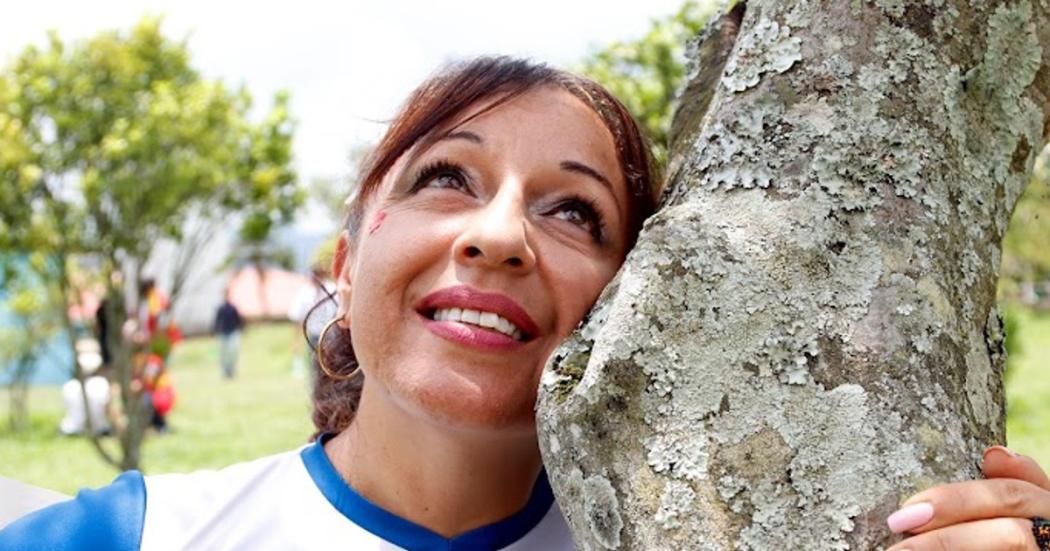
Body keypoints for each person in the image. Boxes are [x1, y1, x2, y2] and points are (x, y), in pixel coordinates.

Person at [0, 57, 1047, 550]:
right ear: (346, 255)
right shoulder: (124, 535)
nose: (498, 234)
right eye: (446, 176)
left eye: (574, 213)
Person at [214, 288, 244, 379]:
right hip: (223, 333)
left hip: (232, 332)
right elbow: (217, 322)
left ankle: (232, 371)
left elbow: (239, 321)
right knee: (223, 354)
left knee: (232, 352)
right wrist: (216, 331)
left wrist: (240, 330)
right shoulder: (220, 308)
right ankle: (225, 372)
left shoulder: (233, 308)